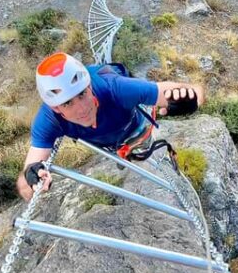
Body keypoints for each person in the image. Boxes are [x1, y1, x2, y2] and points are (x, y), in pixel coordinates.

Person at [16, 52, 205, 201]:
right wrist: (33, 176)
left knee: (139, 148)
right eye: (68, 103)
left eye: (82, 94)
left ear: (89, 86)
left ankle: (128, 152)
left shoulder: (116, 88)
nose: (82, 109)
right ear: (56, 108)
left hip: (134, 128)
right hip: (107, 140)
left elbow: (194, 90)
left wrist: (189, 100)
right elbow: (29, 171)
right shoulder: (48, 120)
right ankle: (122, 154)